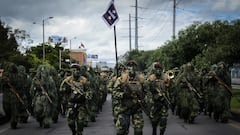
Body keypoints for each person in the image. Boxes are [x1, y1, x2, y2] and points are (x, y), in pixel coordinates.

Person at [113, 60, 144, 135]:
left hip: (137, 107)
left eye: (133, 66)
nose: (131, 68)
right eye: (129, 66)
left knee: (138, 130)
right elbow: (114, 93)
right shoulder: (121, 79)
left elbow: (147, 91)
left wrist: (143, 99)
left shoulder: (141, 79)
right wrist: (123, 94)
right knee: (121, 131)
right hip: (124, 108)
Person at [60, 64, 92, 135]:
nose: (76, 71)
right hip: (71, 104)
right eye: (74, 70)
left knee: (80, 121)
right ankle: (73, 131)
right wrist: (66, 90)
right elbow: (61, 90)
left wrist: (86, 95)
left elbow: (89, 91)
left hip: (81, 104)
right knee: (70, 122)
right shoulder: (67, 80)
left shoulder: (83, 80)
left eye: (77, 70)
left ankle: (79, 132)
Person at [145, 62, 169, 135]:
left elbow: (170, 88)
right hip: (154, 103)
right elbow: (146, 89)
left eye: (160, 69)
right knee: (154, 120)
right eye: (157, 69)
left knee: (164, 119)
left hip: (163, 102)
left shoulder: (164, 77)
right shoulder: (150, 78)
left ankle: (162, 132)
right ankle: (154, 130)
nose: (158, 70)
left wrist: (168, 81)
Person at [1, 63, 25, 129]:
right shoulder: (6, 74)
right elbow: (2, 83)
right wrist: (4, 81)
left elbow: (20, 85)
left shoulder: (18, 75)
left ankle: (14, 122)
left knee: (14, 109)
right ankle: (9, 117)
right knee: (6, 107)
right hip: (6, 94)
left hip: (14, 94)